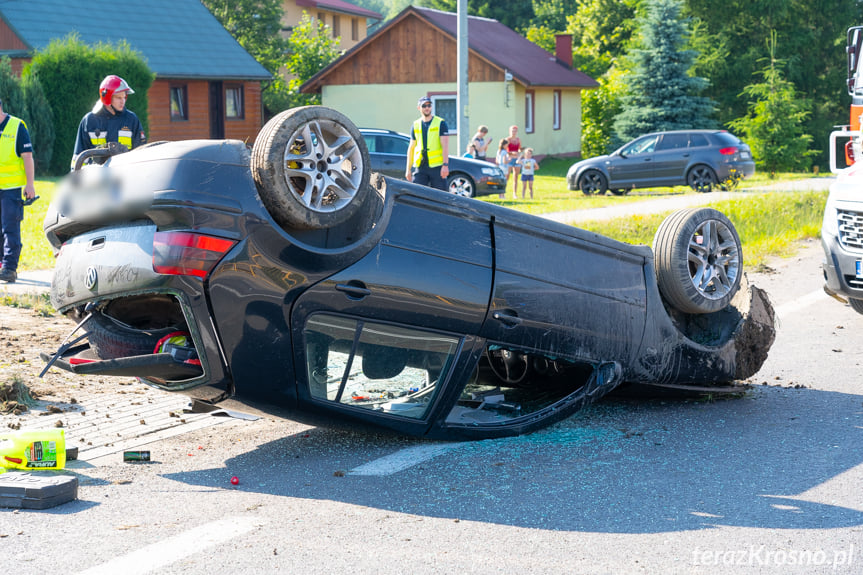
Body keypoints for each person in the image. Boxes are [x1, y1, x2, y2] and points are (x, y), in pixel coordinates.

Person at [0, 99, 36, 284]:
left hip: (11, 189)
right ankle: (1, 264)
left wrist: (30, 184)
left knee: (10, 228)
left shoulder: (17, 126)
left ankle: (9, 268)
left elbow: (27, 157)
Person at [73, 75, 146, 163]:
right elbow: (79, 156)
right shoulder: (89, 121)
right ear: (107, 97)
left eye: (124, 97)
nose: (123, 101)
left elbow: (141, 153)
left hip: (125, 174)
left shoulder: (132, 119)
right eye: (119, 98)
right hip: (97, 175)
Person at [405, 96, 449, 191]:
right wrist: (408, 169)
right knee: (417, 194)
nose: (427, 108)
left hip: (437, 167)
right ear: (419, 108)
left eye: (429, 105)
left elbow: (445, 145)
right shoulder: (415, 125)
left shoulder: (440, 123)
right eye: (424, 106)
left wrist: (445, 165)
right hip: (421, 166)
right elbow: (411, 148)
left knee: (441, 196)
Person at [506, 125, 522, 198]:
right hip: (510, 159)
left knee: (516, 177)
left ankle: (514, 193)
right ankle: (503, 192)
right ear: (510, 131)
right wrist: (512, 153)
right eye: (512, 131)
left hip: (517, 159)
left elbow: (520, 149)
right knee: (507, 176)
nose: (514, 132)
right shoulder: (508, 140)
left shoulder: (518, 140)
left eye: (515, 131)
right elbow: (505, 150)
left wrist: (519, 153)